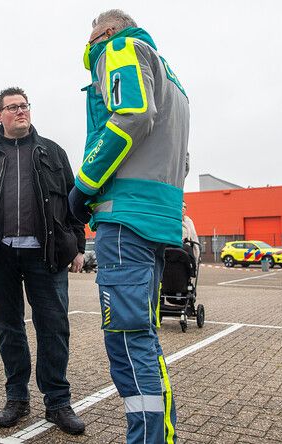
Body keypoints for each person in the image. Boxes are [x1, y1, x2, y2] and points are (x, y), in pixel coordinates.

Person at [69, 9, 190, 443]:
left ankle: (147, 439)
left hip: (125, 219)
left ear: (104, 32)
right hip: (157, 221)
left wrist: (84, 185)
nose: (87, 49)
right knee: (141, 336)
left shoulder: (118, 49)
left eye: (89, 39)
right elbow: (180, 158)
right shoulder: (173, 79)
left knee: (127, 340)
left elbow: (132, 115)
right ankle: (160, 436)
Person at [0, 87, 86, 435]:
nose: (20, 112)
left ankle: (57, 401)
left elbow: (74, 204)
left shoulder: (53, 152)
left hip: (47, 254)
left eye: (24, 106)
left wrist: (79, 246)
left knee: (54, 327)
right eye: (12, 107)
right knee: (8, 328)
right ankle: (17, 398)